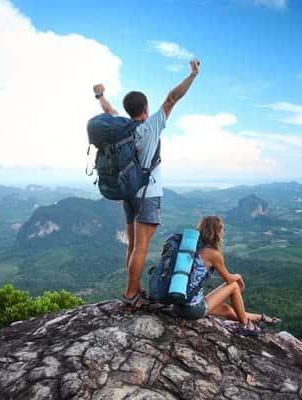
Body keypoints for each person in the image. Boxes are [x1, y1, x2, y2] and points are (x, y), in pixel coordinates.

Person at [93, 58, 201, 311]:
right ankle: (131, 294)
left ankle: (134, 287)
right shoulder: (150, 126)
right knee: (141, 247)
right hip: (147, 194)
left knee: (133, 246)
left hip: (127, 193)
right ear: (146, 108)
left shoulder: (122, 128)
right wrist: (193, 74)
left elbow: (109, 112)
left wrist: (99, 95)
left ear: (128, 109)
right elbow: (173, 97)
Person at [174, 215, 281, 335]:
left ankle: (259, 318)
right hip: (192, 309)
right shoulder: (213, 254)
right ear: (216, 231)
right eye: (222, 229)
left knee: (226, 309)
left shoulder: (191, 248)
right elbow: (229, 279)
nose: (224, 231)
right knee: (234, 286)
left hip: (178, 306)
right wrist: (239, 276)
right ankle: (246, 326)